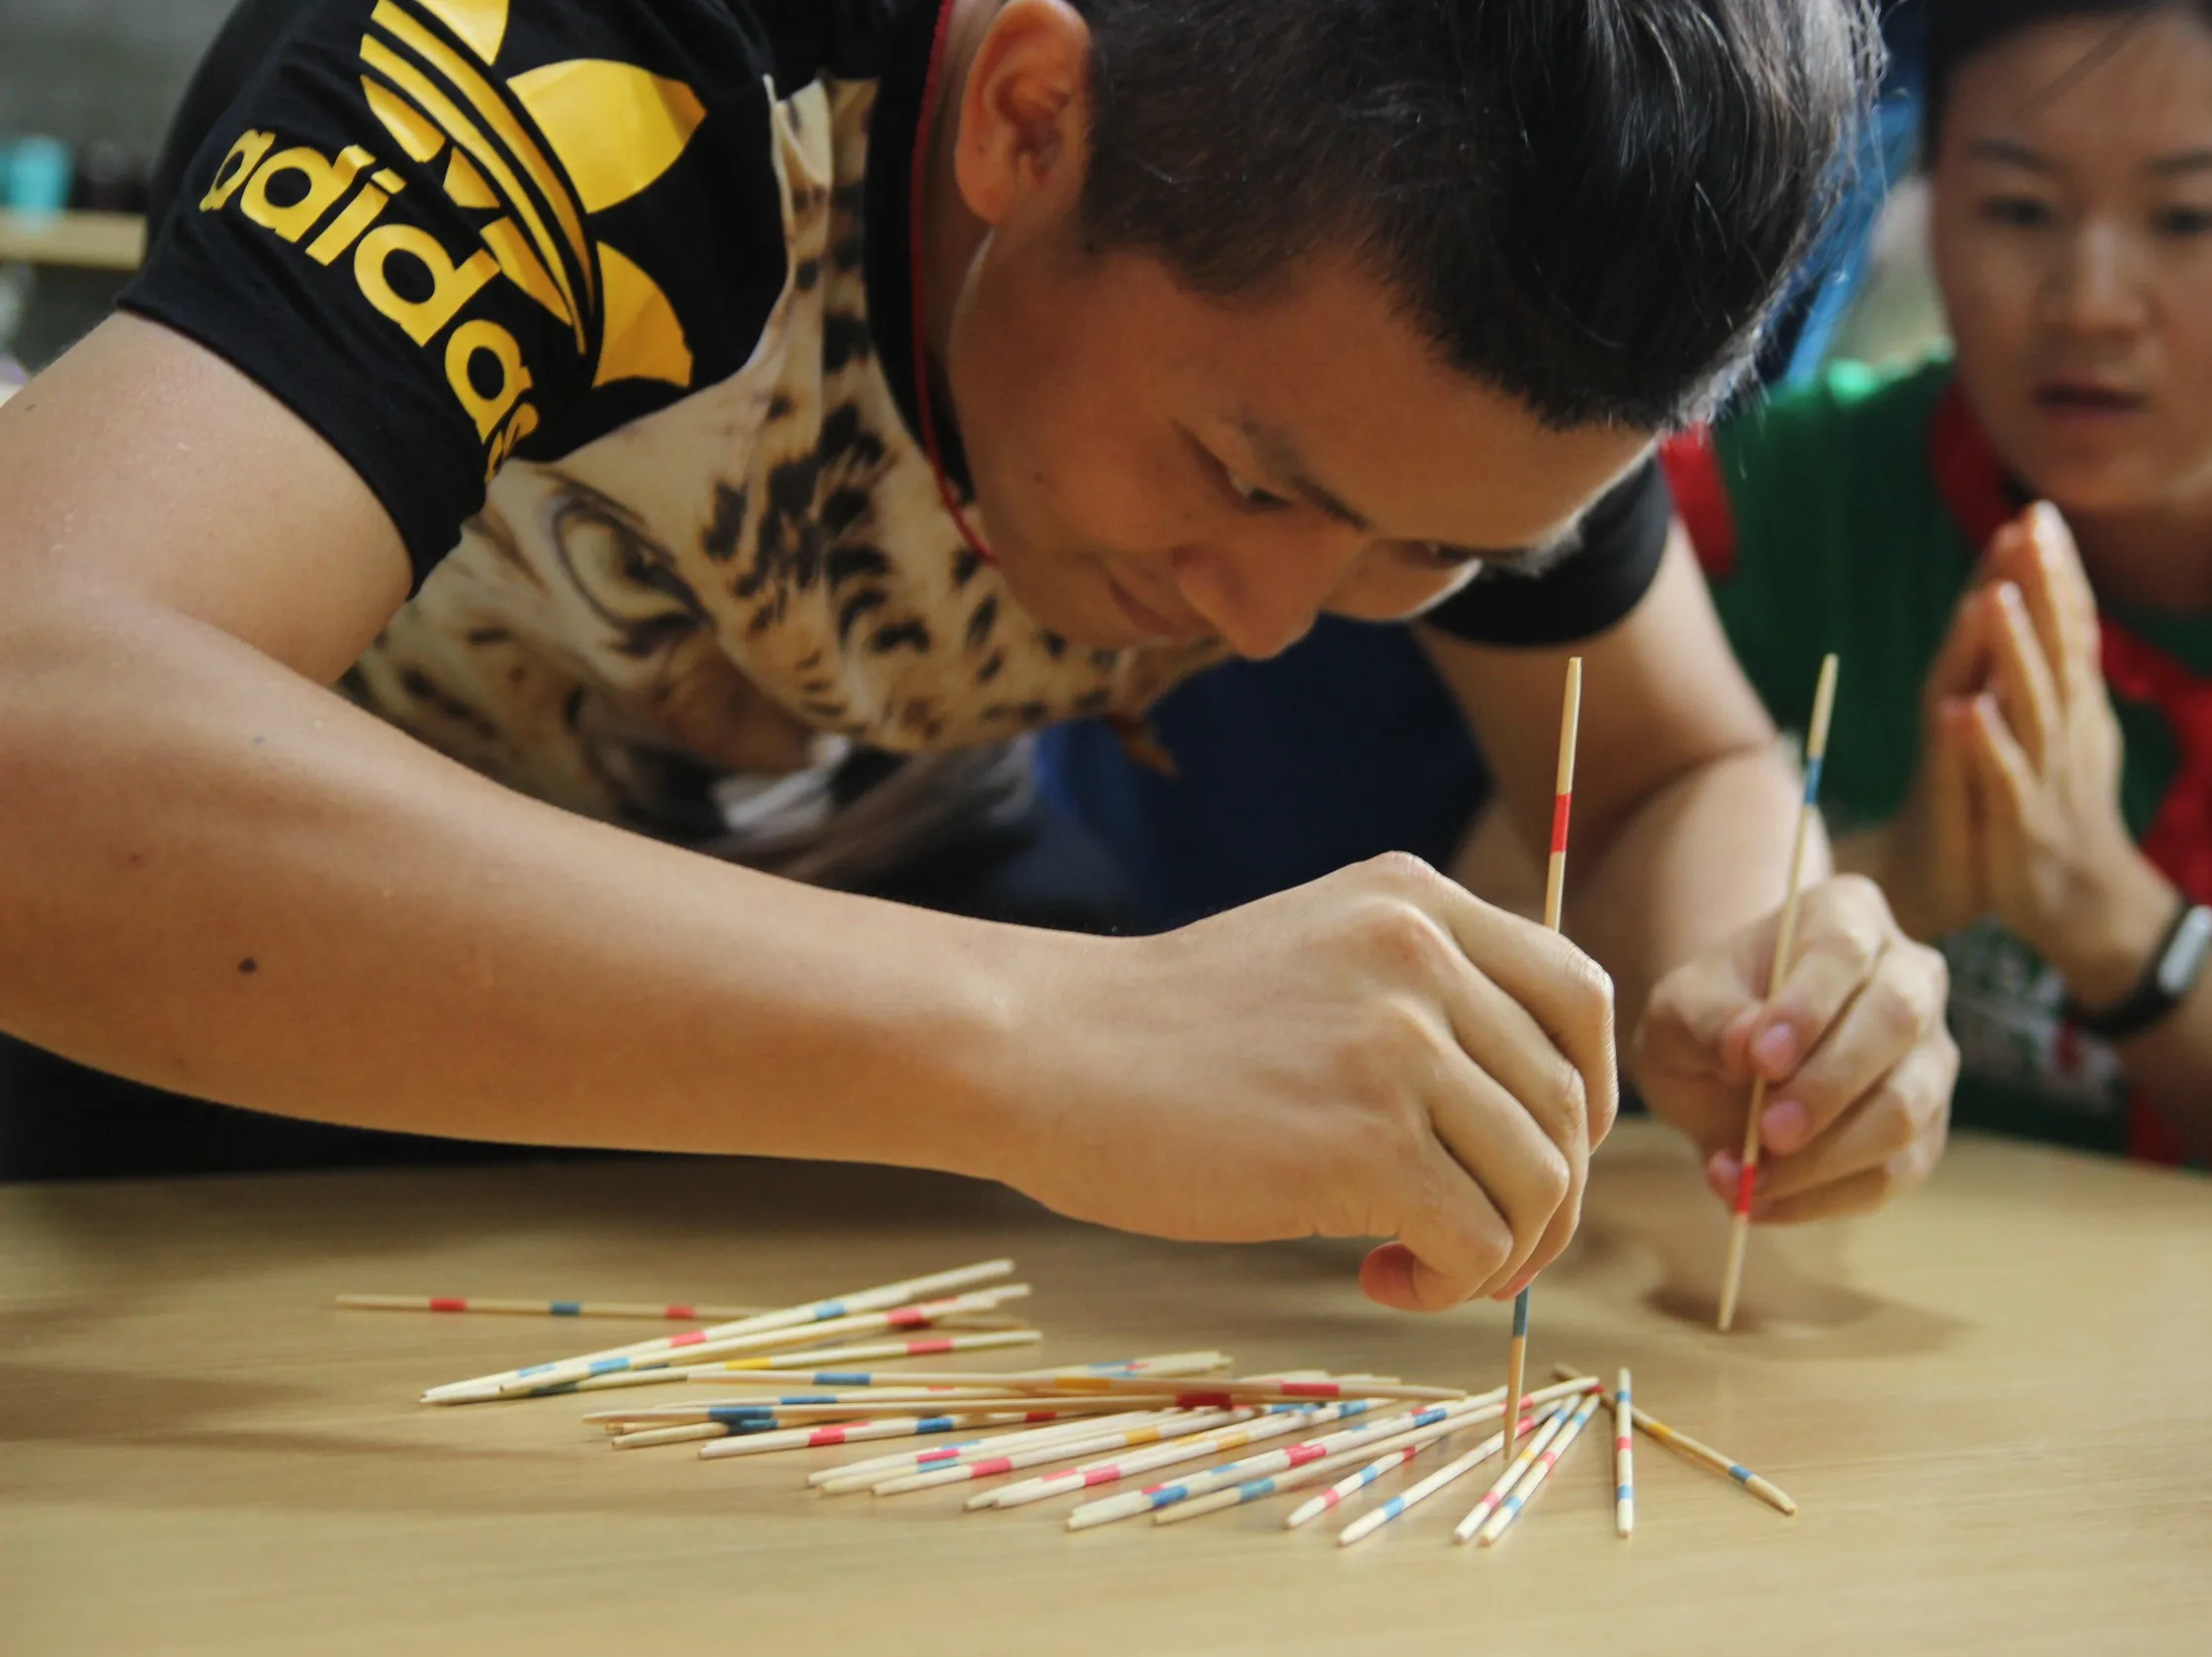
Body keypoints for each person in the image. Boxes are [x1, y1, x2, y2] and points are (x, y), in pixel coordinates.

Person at [0, 0, 1960, 1304]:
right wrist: (1043, 1039)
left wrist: (1764, 979)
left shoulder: (1473, 327)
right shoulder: (602, 73)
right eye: (1242, 474)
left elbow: (1675, 769)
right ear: (1033, 119)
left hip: (913, 1036)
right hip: (248, 1035)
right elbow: (36, 723)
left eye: (1441, 553)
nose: (1272, 616)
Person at [1664, 0, 2212, 1231]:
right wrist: (1908, 871)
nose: (2086, 302)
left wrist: (2106, 921)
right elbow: (1558, 919)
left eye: (2192, 218)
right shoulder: (1793, 491)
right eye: (2018, 208)